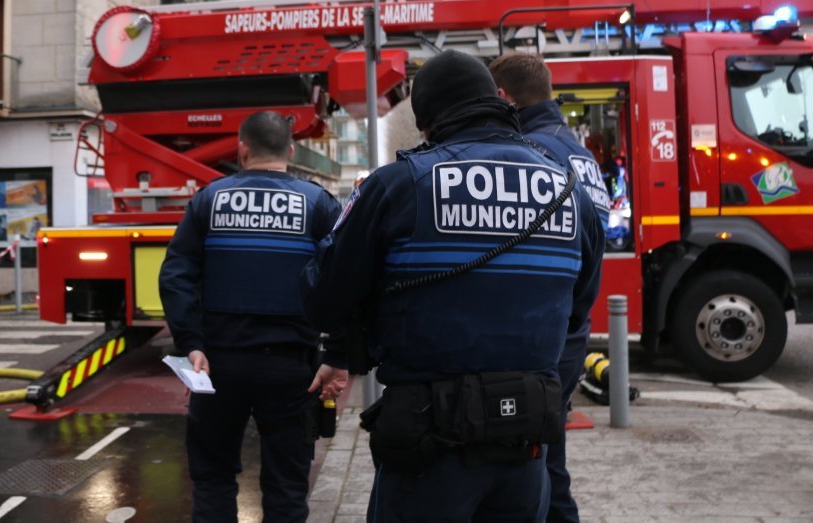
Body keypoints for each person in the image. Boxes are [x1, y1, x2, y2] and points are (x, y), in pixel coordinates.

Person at [302, 50, 604, 522]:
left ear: (427, 123)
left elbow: (323, 298)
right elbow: (579, 308)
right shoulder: (569, 190)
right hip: (525, 442)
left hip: (430, 446)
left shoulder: (399, 186)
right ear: (493, 100)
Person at [159, 110, 348, 523]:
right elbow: (344, 281)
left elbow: (176, 276)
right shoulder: (318, 203)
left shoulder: (208, 199)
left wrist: (191, 345)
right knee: (286, 486)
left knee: (212, 478)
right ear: (291, 150)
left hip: (217, 367)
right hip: (293, 369)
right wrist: (338, 353)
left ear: (242, 149)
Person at [490, 52, 609, 523]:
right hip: (566, 333)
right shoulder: (578, 153)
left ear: (502, 98)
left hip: (539, 338)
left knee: (531, 472)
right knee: (547, 461)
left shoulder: (533, 155)